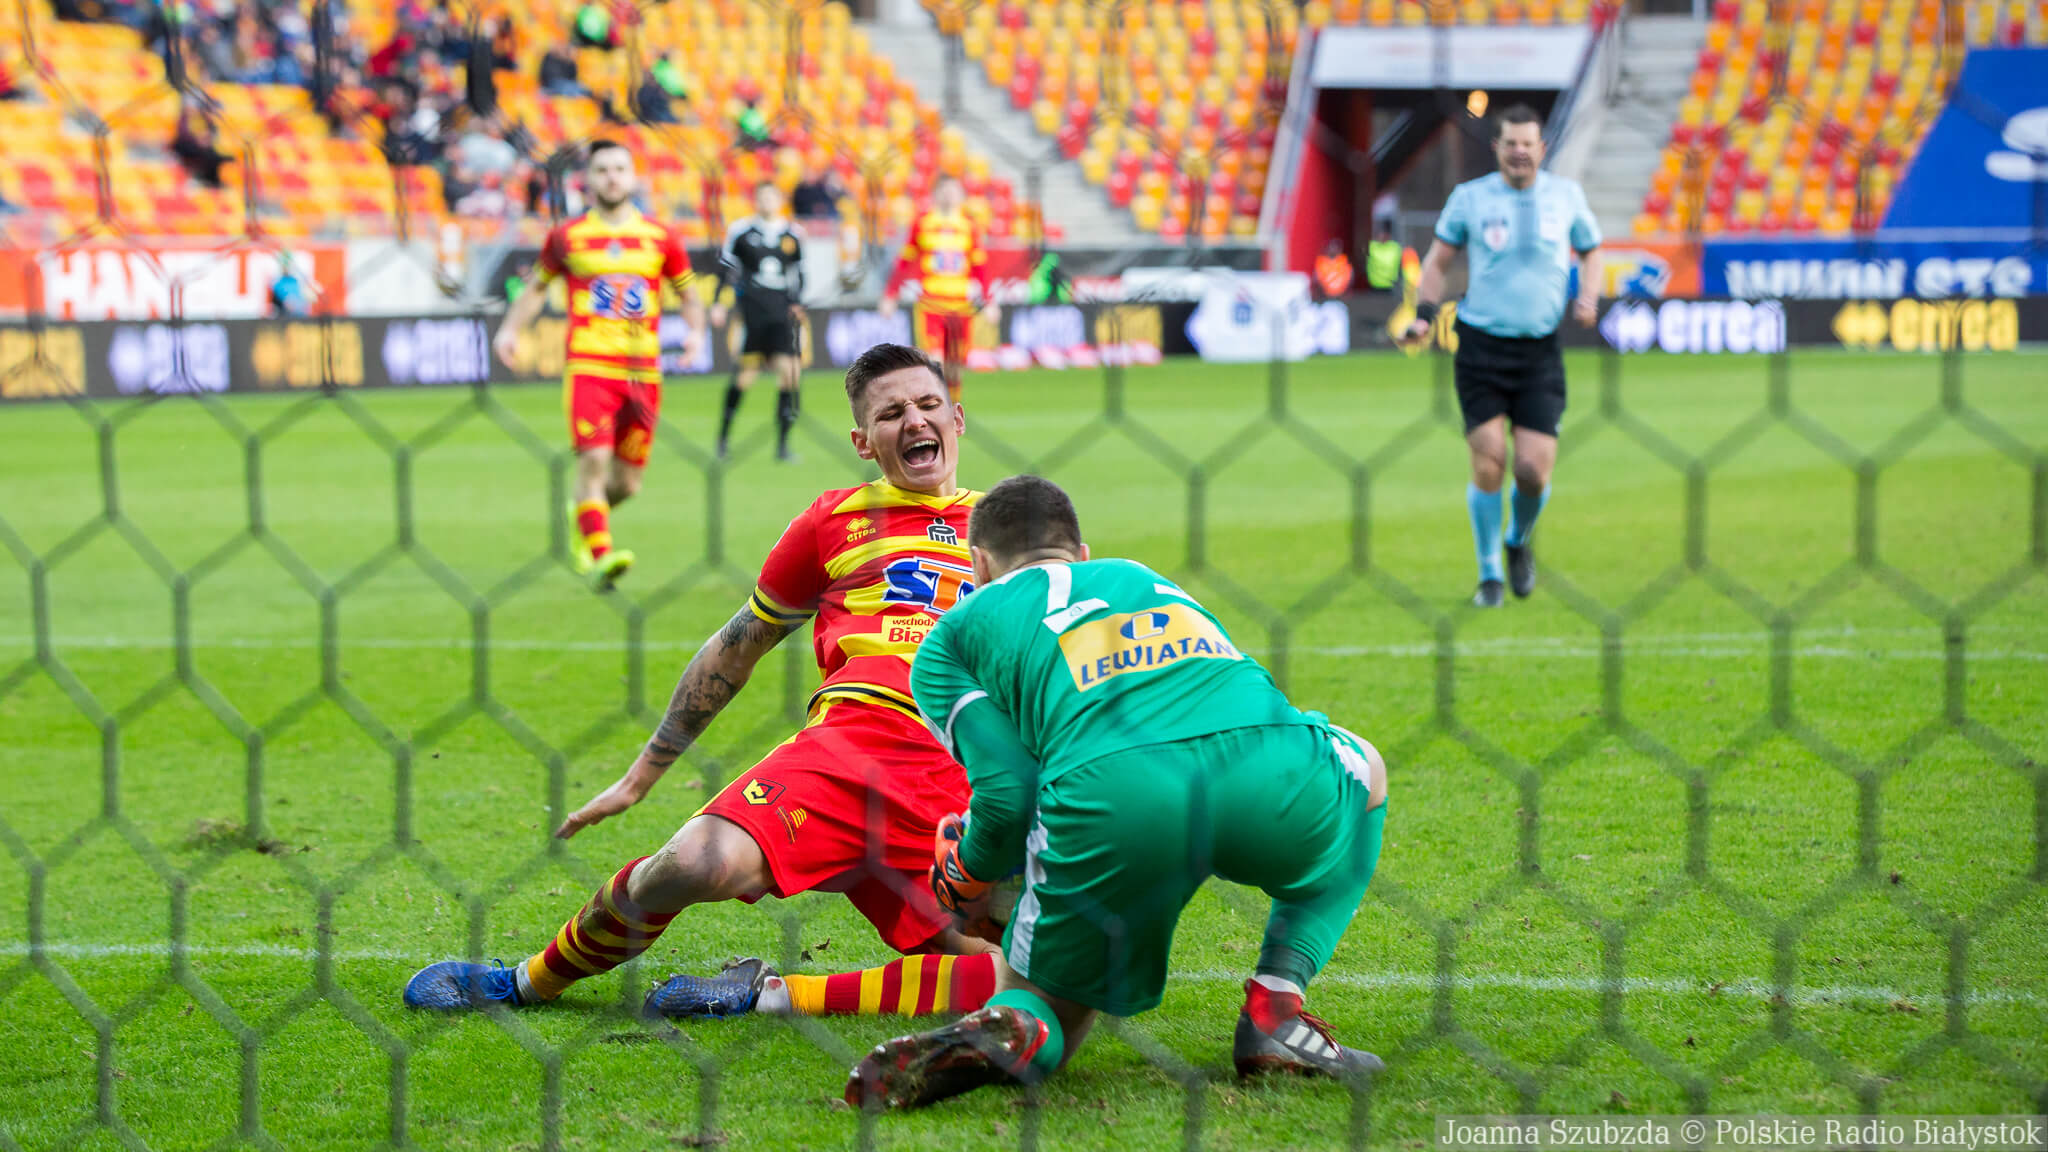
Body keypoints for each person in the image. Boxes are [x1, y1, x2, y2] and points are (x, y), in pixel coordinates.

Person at [402, 343, 1001, 1015]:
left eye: (927, 405)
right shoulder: (833, 521)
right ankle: (525, 983)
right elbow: (736, 647)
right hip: (846, 754)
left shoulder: (1007, 526)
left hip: (962, 781)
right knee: (691, 864)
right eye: (892, 413)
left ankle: (770, 995)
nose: (915, 421)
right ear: (865, 442)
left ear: (957, 417)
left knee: (1019, 972)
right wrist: (641, 777)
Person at [839, 474, 1388, 1109]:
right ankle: (1277, 1009)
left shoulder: (951, 637)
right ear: (1081, 552)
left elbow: (1011, 792)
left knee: (1048, 1018)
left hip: (1119, 803)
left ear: (978, 562)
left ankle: (1017, 1023)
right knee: (1367, 770)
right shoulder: (1140, 575)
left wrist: (968, 873)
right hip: (1269, 769)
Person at [1399, 104, 1601, 607]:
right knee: (1490, 461)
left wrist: (1589, 296)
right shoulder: (1470, 199)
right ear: (1497, 148)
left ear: (1541, 149)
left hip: (1539, 352)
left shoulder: (1565, 196)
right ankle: (1489, 574)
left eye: (1527, 144)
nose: (1519, 152)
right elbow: (1438, 262)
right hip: (1482, 347)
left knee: (1533, 471)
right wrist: (1424, 314)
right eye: (1510, 143)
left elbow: (1592, 250)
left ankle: (1518, 542)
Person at [487, 139, 706, 592]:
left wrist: (696, 333)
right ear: (589, 179)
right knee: (593, 461)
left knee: (627, 483)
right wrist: (510, 329)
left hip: (642, 370)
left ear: (632, 177)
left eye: (620, 169)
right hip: (589, 363)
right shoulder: (567, 236)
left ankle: (583, 516)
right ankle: (603, 556)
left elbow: (688, 293)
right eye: (603, 169)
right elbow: (535, 289)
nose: (611, 177)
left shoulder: (660, 237)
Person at [878, 175, 996, 401]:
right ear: (936, 194)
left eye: (954, 190)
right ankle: (936, 407)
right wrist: (890, 294)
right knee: (935, 361)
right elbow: (904, 262)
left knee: (953, 366)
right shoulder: (923, 222)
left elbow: (980, 267)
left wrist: (988, 300)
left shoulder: (968, 226)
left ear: (961, 194)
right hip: (931, 304)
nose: (949, 195)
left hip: (960, 306)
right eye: (944, 190)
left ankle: (951, 410)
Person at [712, 182, 806, 462]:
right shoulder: (741, 232)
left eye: (772, 196)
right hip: (752, 313)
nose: (767, 201)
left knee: (790, 374)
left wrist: (798, 302)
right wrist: (719, 302)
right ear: (756, 200)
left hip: (782, 314)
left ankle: (782, 445)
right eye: (762, 196)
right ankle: (723, 440)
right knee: (744, 377)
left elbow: (799, 273)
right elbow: (727, 270)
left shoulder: (793, 234)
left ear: (779, 200)